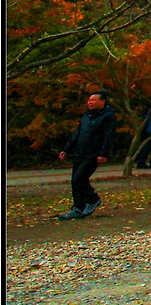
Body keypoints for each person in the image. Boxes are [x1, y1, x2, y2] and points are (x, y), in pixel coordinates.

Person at [57, 90, 116, 220]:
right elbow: (78, 133)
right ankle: (78, 208)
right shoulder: (87, 116)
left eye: (94, 100)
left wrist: (103, 153)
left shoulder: (108, 116)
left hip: (93, 154)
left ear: (102, 101)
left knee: (79, 179)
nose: (90, 102)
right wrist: (66, 149)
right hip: (80, 152)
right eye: (89, 100)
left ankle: (93, 200)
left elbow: (109, 136)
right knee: (75, 182)